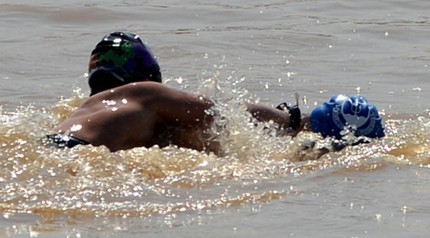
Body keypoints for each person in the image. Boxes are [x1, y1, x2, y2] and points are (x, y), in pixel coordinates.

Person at [46, 32, 384, 155]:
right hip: (73, 157)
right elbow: (223, 113)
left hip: (51, 150)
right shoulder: (146, 92)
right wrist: (294, 120)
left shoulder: (89, 111)